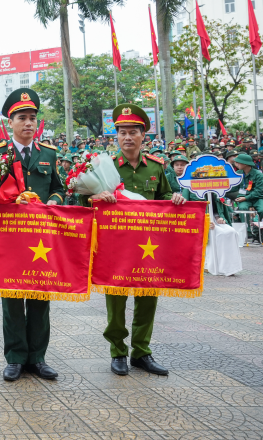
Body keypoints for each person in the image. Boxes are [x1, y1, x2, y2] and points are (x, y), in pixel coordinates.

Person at [80, 104, 183, 377]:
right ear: (116, 136)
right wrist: (96, 197)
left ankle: (141, 352)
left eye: (133, 132)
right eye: (122, 133)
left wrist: (174, 198)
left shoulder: (156, 167)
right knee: (116, 299)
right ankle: (118, 352)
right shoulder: (105, 167)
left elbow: (164, 197)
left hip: (149, 246)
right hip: (115, 247)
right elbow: (82, 200)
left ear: (143, 136)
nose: (127, 137)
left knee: (148, 297)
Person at [0, 89, 64, 382]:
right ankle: (16, 358)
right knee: (12, 299)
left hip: (41, 239)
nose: (28, 123)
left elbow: (58, 188)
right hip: (9, 239)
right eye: (22, 118)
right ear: (10, 122)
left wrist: (53, 201)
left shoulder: (48, 154)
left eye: (32, 118)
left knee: (40, 296)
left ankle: (38, 358)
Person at [229, 153, 263, 220]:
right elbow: (234, 187)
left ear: (245, 164)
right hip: (243, 197)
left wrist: (245, 198)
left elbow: (258, 191)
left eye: (238, 162)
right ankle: (246, 226)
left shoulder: (258, 174)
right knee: (243, 208)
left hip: (258, 198)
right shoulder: (238, 173)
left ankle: (262, 226)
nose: (236, 164)